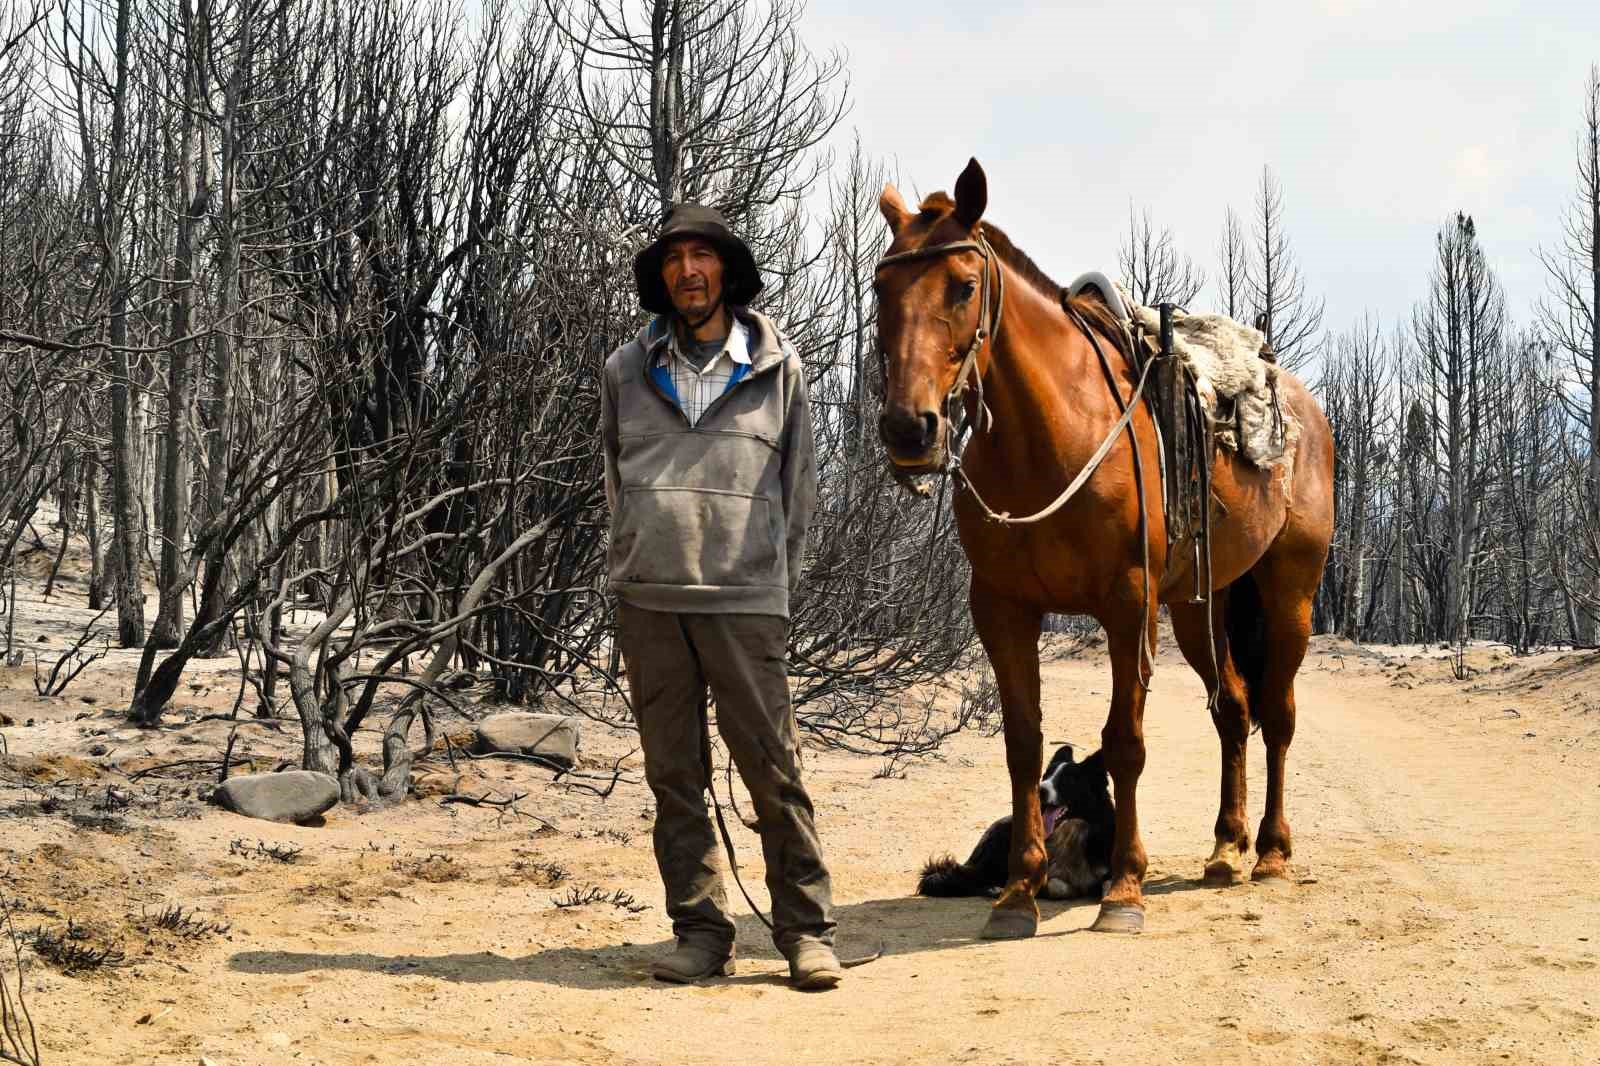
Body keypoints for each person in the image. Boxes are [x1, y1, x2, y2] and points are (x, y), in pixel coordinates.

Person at [599, 204, 839, 990]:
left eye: (702, 257)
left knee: (773, 768)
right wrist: (631, 560)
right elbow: (613, 481)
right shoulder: (625, 370)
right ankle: (701, 932)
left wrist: (772, 581)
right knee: (674, 776)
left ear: (726, 272)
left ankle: (806, 933)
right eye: (673, 260)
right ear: (661, 278)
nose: (687, 272)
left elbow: (798, 491)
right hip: (651, 600)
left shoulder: (780, 368)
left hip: (744, 598)